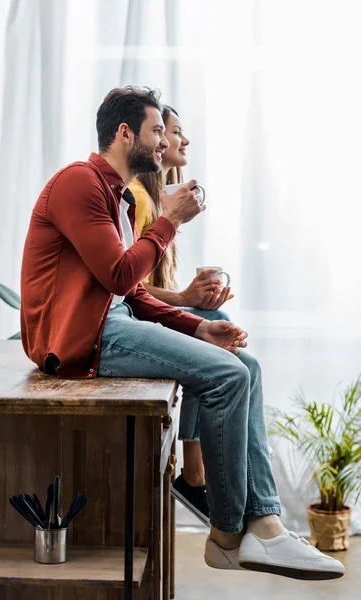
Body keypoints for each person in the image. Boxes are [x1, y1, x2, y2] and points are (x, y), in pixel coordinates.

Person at [21, 86, 344, 579]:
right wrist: (168, 220)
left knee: (247, 366)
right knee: (228, 377)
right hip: (80, 341)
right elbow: (120, 277)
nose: (162, 142)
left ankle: (268, 525)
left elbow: (131, 296)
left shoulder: (117, 197)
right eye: (156, 131)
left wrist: (198, 325)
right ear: (124, 133)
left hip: (113, 323)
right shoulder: (79, 183)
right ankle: (229, 536)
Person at [129, 105, 233, 526]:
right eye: (171, 131)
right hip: (133, 320)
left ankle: (196, 470)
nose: (180, 141)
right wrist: (183, 297)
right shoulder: (138, 199)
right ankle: (195, 471)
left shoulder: (159, 202)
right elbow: (126, 284)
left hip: (146, 313)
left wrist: (193, 299)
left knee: (219, 320)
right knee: (219, 360)